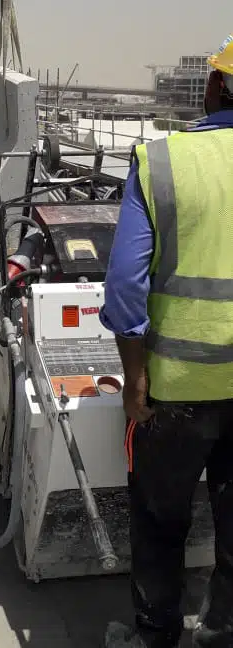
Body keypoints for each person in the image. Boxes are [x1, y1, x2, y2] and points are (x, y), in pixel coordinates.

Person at [101, 35, 233, 648]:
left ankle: (156, 637)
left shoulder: (161, 161)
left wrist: (136, 376)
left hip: (175, 391)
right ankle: (221, 627)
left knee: (160, 520)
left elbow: (126, 285)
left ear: (212, 87)